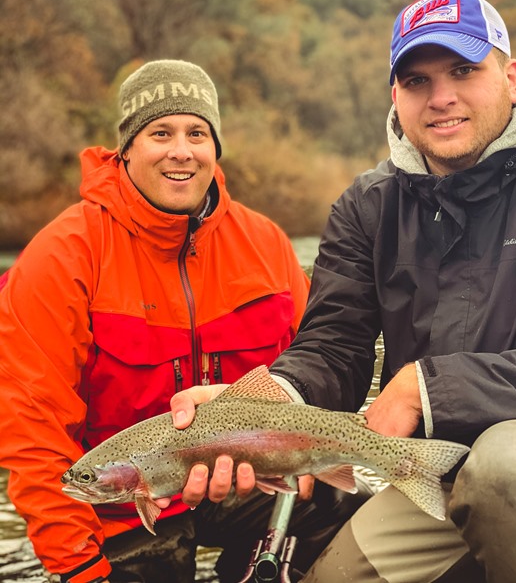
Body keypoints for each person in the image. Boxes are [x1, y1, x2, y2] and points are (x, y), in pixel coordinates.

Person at [170, 0, 516, 582]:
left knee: (507, 467)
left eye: (463, 70)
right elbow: (333, 347)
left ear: (511, 77)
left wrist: (426, 388)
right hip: (433, 471)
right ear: (396, 98)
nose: (442, 97)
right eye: (416, 81)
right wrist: (265, 405)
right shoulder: (367, 205)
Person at [0, 60, 371, 583]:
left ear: (215, 146)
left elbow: (318, 364)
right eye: (160, 133)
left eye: (197, 132)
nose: (181, 150)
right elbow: (32, 436)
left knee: (353, 507)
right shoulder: (61, 256)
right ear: (127, 147)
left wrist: (305, 463)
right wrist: (78, 566)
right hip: (123, 508)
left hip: (252, 484)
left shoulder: (265, 242)